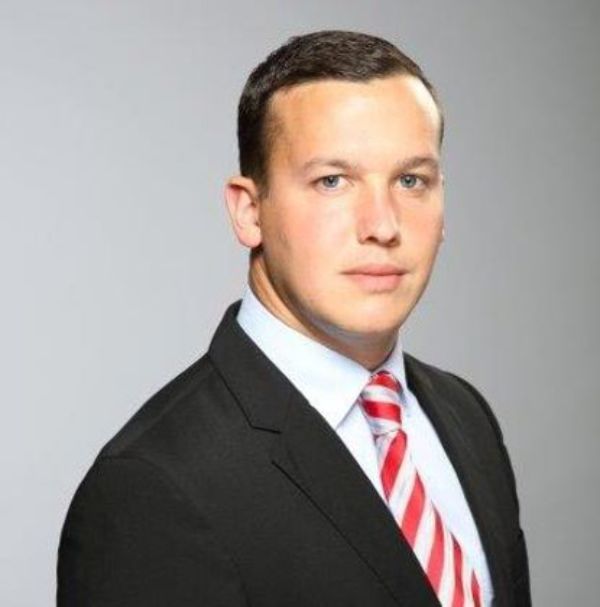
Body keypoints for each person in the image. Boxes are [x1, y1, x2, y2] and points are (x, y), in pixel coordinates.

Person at [57, 30, 531, 606]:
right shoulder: (152, 486)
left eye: (411, 181)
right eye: (333, 181)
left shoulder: (465, 417)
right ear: (249, 211)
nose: (382, 225)